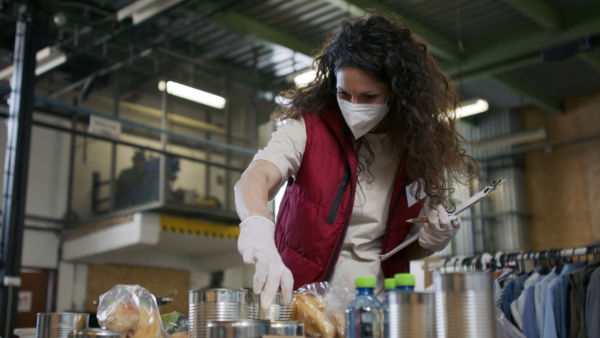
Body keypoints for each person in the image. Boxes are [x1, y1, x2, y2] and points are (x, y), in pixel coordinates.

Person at [234, 13, 478, 308]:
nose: (354, 106)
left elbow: (407, 250)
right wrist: (257, 223)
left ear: (397, 93)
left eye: (369, 96)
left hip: (376, 306)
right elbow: (256, 176)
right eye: (344, 94)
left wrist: (431, 240)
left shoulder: (417, 151)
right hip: (305, 305)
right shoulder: (310, 129)